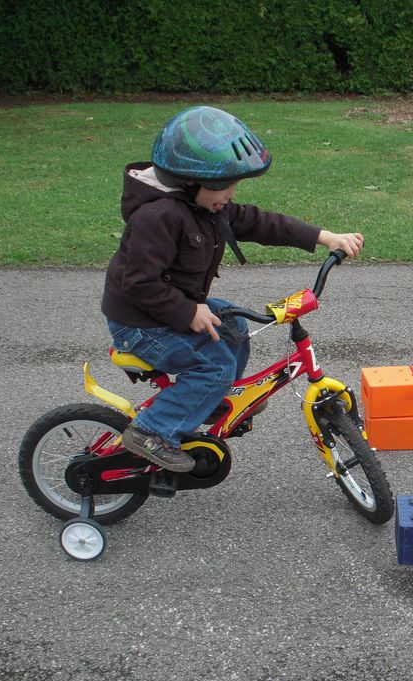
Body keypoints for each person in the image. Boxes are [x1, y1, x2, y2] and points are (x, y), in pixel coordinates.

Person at [101, 105, 364, 471]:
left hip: (169, 305)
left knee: (235, 328)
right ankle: (152, 432)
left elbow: (260, 223)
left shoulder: (206, 206)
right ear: (190, 181)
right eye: (224, 185)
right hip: (140, 322)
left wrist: (325, 237)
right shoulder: (157, 217)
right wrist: (189, 312)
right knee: (215, 366)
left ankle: (208, 402)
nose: (231, 194)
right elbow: (139, 283)